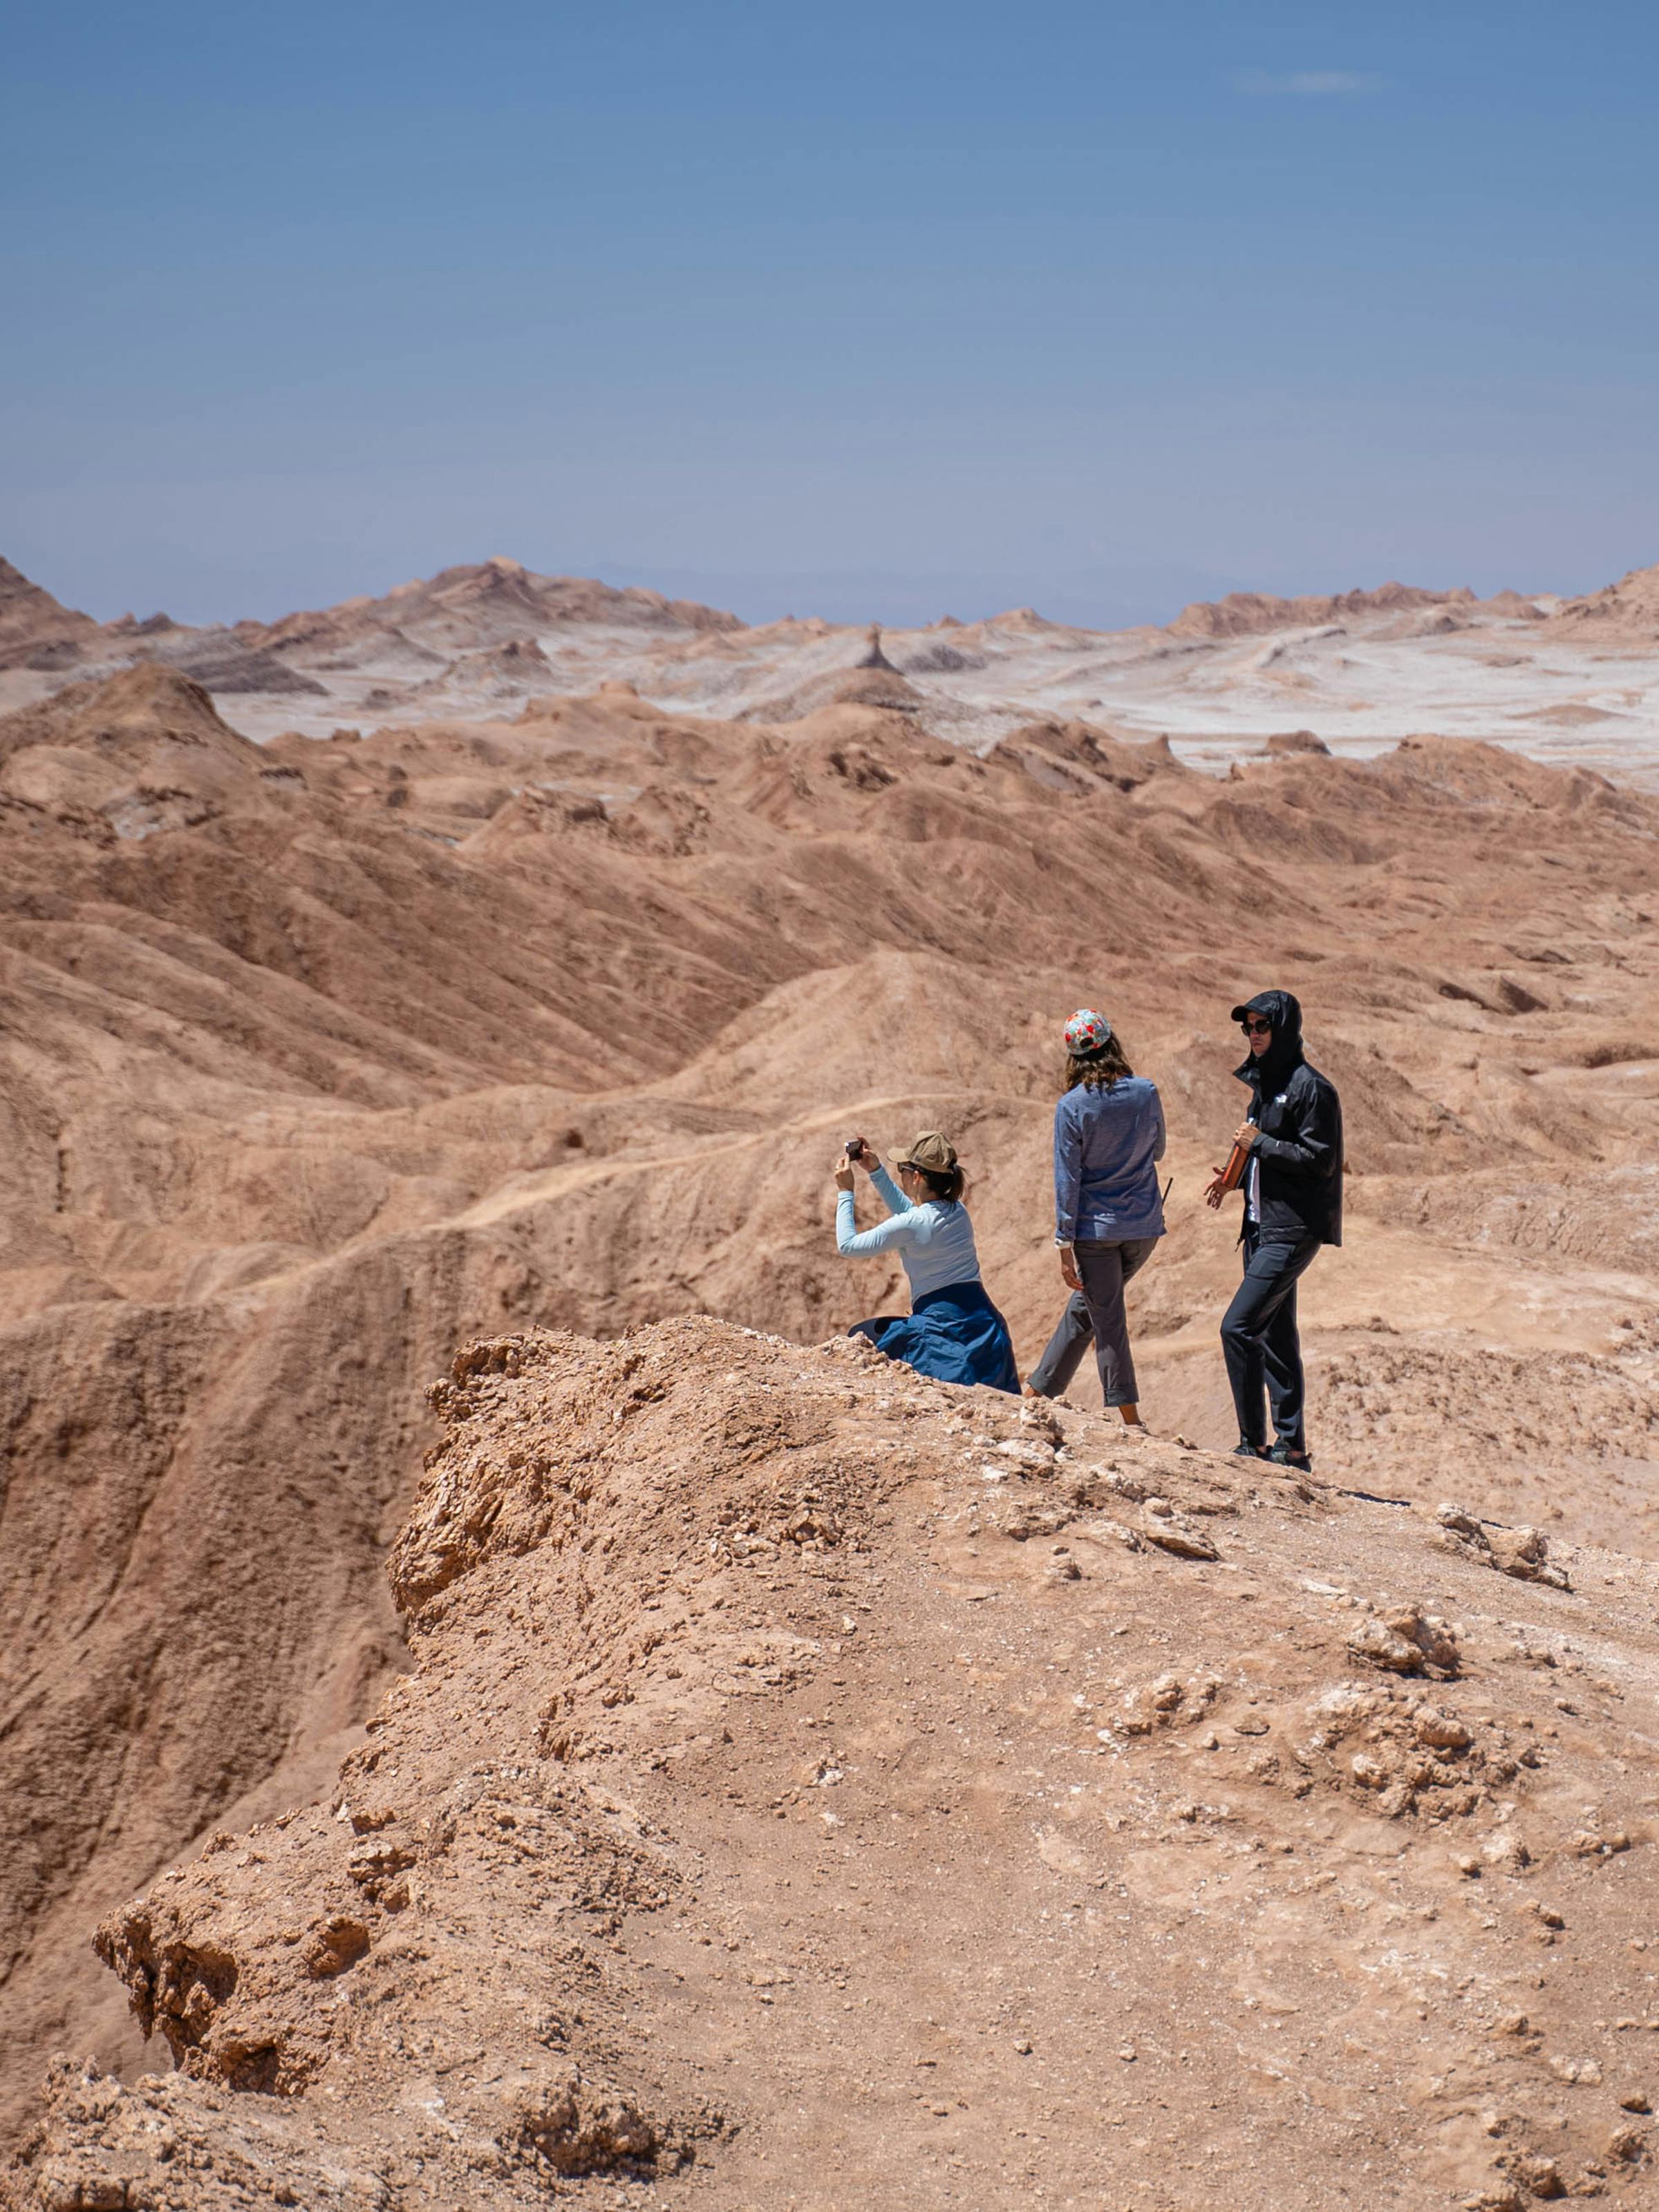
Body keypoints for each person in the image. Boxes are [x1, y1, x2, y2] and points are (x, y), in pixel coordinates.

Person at [1204, 989, 1343, 1470]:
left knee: (1237, 1328)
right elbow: (1254, 1150)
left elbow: (1321, 1160)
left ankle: (1252, 1444)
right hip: (1261, 1226)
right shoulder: (1267, 1085)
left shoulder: (1312, 1088)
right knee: (1276, 1335)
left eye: (1262, 1026)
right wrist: (1230, 1180)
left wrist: (1260, 1142)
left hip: (1292, 1228)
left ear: (1282, 1028)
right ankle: (1292, 1447)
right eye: (1248, 1028)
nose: (1254, 1035)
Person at [1024, 1009, 1165, 1425]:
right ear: (1112, 1043)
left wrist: (1064, 1245)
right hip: (1144, 1229)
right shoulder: (1146, 1091)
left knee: (1108, 1320)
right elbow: (1157, 1151)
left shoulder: (1071, 1107)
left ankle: (1130, 1421)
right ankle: (1035, 1392)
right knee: (1089, 1309)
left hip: (1097, 1233)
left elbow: (1068, 1180)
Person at [834, 1130, 1020, 1394]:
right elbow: (913, 1215)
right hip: (985, 1329)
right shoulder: (958, 1211)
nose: (902, 1174)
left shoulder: (915, 1223)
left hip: (944, 1332)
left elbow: (848, 1246)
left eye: (902, 1169)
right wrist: (875, 1172)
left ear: (917, 1177)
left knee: (860, 1337)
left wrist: (845, 1192)